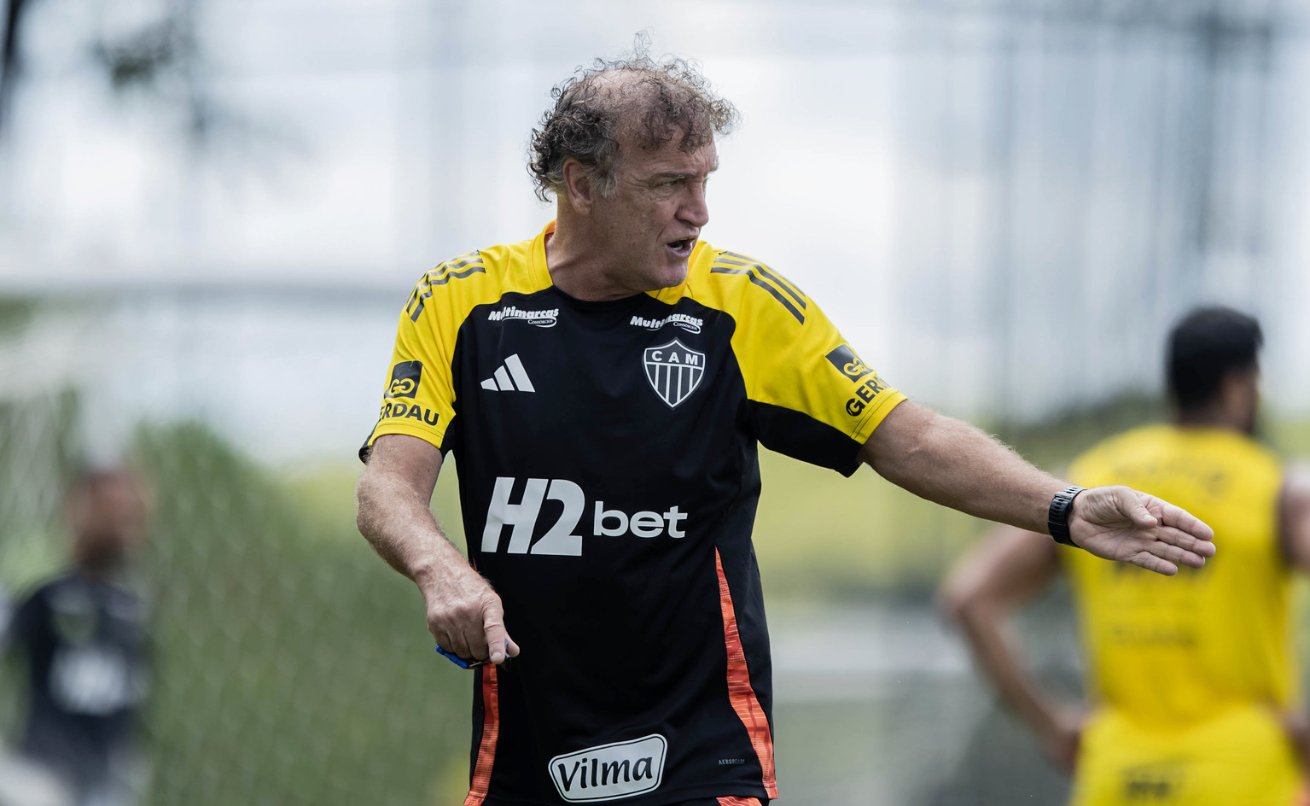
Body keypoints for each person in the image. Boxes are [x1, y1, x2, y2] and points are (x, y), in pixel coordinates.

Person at [354, 51, 1215, 806]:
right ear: (580, 183)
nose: (697, 213)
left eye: (704, 182)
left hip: (701, 752)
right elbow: (388, 486)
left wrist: (1063, 508)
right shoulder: (463, 302)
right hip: (522, 760)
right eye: (667, 186)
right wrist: (440, 569)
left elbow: (903, 435)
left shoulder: (744, 307)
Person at [939, 306, 1310, 805]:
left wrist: (1051, 724)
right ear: (1239, 386)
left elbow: (968, 599)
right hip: (1241, 771)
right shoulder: (1278, 488)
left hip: (1116, 773)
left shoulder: (1094, 478)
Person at [1, 467, 152, 806]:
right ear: (78, 511)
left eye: (129, 510)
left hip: (102, 782)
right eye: (110, 506)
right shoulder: (47, 592)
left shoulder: (133, 607)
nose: (121, 517)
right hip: (40, 777)